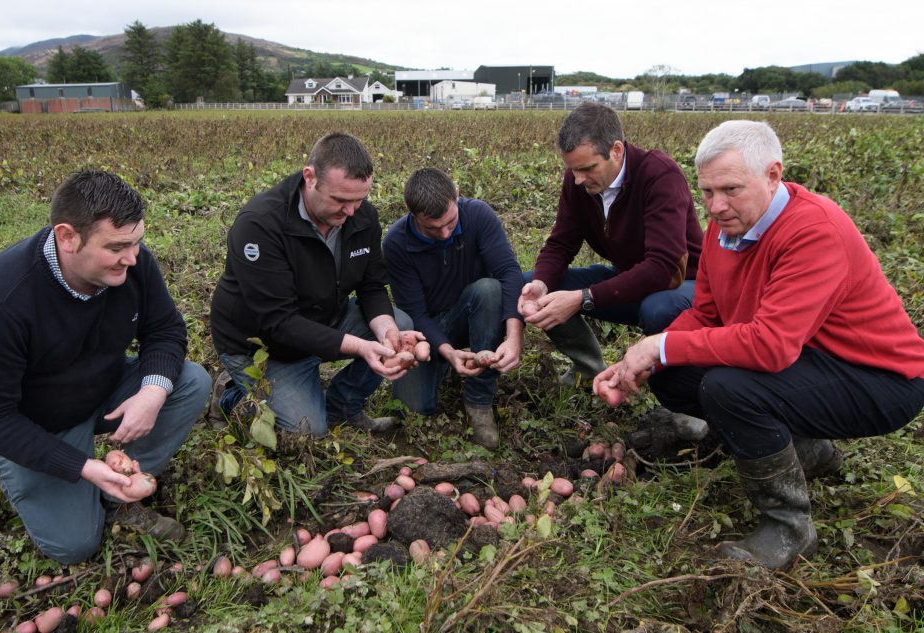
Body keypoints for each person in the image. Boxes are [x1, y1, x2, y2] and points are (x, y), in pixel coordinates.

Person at [593, 120, 924, 569]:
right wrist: (646, 357)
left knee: (730, 388)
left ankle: (789, 527)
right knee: (675, 373)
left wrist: (659, 346)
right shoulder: (723, 229)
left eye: (730, 189)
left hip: (880, 379)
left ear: (773, 175)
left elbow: (770, 347)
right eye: (707, 192)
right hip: (810, 357)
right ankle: (808, 451)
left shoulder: (813, 230)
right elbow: (707, 315)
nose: (716, 205)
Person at [0, 170, 212, 565]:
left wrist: (151, 392)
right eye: (117, 247)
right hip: (38, 423)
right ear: (67, 237)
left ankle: (118, 493)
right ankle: (55, 476)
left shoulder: (132, 264)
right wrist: (81, 466)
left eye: (137, 242)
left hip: (102, 390)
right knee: (74, 546)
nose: (132, 257)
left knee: (190, 382)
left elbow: (164, 329)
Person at [210, 132, 417, 437]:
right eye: (340, 200)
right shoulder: (260, 224)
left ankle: (342, 406)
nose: (350, 212)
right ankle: (231, 393)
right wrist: (362, 347)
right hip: (264, 344)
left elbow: (371, 287)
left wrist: (387, 335)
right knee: (307, 430)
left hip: (324, 317)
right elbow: (278, 322)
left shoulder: (362, 217)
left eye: (359, 200)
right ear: (310, 177)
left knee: (399, 322)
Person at [518, 102, 703, 385]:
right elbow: (560, 243)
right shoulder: (578, 181)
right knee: (541, 284)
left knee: (659, 309)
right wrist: (541, 283)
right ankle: (587, 366)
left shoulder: (659, 175)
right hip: (628, 278)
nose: (578, 179)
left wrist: (585, 297)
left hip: (682, 286)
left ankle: (683, 395)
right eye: (572, 169)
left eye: (587, 168)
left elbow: (664, 268)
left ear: (616, 150)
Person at [384, 168, 524, 448]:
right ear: (412, 214)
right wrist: (447, 351)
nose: (445, 233)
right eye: (433, 228)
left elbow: (509, 272)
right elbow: (417, 315)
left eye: (450, 222)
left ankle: (478, 399)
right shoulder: (396, 243)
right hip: (429, 329)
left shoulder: (478, 215)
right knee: (410, 410)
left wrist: (514, 337)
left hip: (477, 313)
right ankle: (448, 366)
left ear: (457, 196)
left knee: (490, 289)